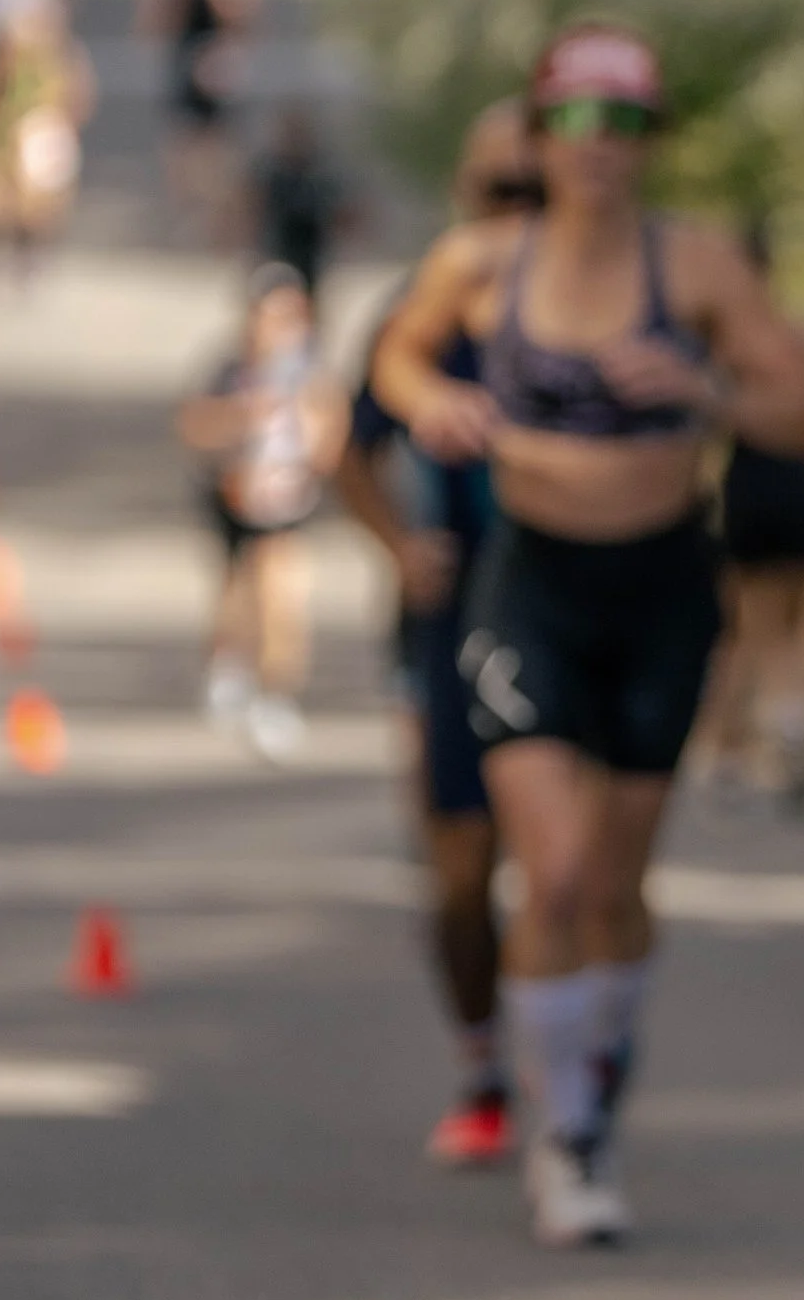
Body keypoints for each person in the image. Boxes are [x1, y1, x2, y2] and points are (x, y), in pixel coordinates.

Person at [374, 22, 804, 1249]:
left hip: (663, 592)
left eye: (622, 124)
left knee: (620, 881)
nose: (596, 147)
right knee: (559, 869)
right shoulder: (483, 261)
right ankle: (567, 1131)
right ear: (539, 133)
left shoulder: (692, 268)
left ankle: (598, 1049)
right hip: (528, 588)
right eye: (573, 120)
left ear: (648, 141)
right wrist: (440, 405)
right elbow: (396, 359)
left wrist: (706, 394)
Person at [334, 98, 543, 1167]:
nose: (518, 210)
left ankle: (578, 1074)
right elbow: (344, 448)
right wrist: (397, 546)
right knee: (461, 870)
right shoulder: (418, 311)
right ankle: (481, 1063)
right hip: (447, 619)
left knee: (568, 867)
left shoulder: (600, 307)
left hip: (563, 612)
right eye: (499, 190)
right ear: (466, 194)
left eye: (534, 189)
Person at [176, 261, 348, 760]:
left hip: (285, 508)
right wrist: (239, 419)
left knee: (282, 599)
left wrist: (308, 442)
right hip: (229, 500)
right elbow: (193, 428)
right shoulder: (228, 371)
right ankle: (229, 662)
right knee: (235, 592)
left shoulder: (312, 376)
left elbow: (331, 440)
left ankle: (275, 695)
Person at [693, 223, 804, 801]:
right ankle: (777, 736)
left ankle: (736, 749)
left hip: (751, 488)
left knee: (740, 629)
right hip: (800, 487)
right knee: (783, 627)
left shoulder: (723, 343)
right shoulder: (803, 337)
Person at [0, 0, 95, 265]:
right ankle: (4, 246)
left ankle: (29, 250)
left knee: (41, 201)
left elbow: (77, 90)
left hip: (40, 127)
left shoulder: (60, 51)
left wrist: (67, 119)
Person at [144, 0, 250, 234]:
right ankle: (197, 209)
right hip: (190, 74)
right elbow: (153, 29)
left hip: (209, 75)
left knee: (210, 150)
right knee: (186, 148)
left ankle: (213, 212)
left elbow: (238, 23)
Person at [253, 103, 353, 306]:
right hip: (276, 251)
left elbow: (341, 213)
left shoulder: (320, 172)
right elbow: (253, 206)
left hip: (311, 256)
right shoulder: (271, 172)